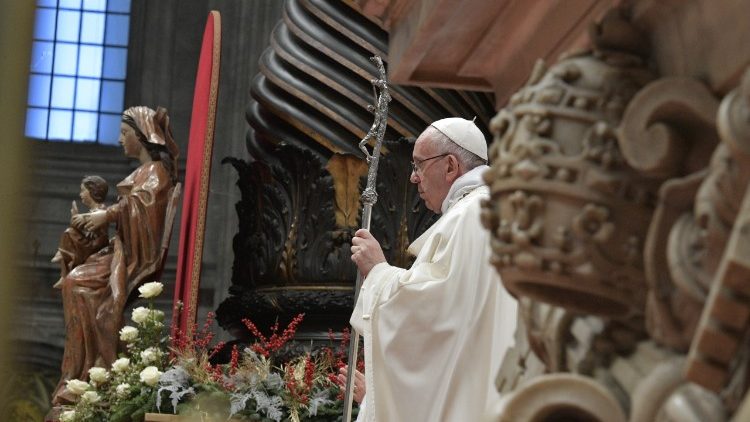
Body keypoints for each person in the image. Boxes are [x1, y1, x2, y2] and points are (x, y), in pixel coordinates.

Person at [349, 117, 518, 421]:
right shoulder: (498, 210)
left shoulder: (471, 215)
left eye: (418, 165)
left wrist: (378, 272)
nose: (414, 178)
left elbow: (435, 315)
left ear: (451, 166)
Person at [52, 106, 179, 405]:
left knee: (79, 285)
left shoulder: (156, 173)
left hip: (134, 255)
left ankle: (96, 372)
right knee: (76, 283)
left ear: (141, 135)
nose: (120, 139)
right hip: (121, 248)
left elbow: (142, 207)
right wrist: (97, 218)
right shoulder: (142, 172)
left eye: (124, 133)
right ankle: (84, 372)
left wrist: (106, 216)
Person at [51, 175, 110, 288]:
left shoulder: (102, 210)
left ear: (93, 191)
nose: (80, 194)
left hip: (96, 246)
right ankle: (63, 274)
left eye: (83, 190)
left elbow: (94, 223)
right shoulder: (94, 210)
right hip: (91, 242)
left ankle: (62, 255)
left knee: (69, 232)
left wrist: (79, 219)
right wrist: (76, 221)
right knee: (70, 232)